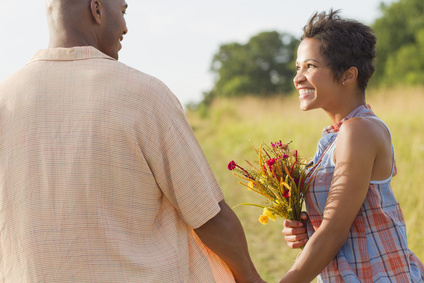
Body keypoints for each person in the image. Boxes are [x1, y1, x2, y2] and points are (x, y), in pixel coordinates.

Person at [0, 0, 266, 282]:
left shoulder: (5, 100)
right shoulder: (144, 95)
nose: (126, 27)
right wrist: (250, 276)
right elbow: (208, 215)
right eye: (123, 11)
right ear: (97, 9)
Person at [280, 10, 424, 282]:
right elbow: (333, 225)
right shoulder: (336, 135)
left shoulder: (359, 130)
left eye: (310, 66)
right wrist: (305, 228)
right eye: (297, 67)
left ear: (348, 76)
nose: (298, 78)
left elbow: (335, 231)